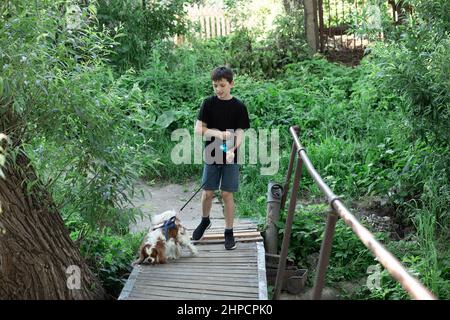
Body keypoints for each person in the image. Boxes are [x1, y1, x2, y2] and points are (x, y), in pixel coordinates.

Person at [192, 66, 250, 250]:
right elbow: (198, 130)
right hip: (212, 152)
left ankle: (229, 231)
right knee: (208, 192)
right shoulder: (208, 103)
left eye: (222, 85)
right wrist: (218, 134)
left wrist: (234, 148)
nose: (218, 89)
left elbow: (240, 132)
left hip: (231, 154)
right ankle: (205, 220)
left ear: (231, 84)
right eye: (215, 86)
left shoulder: (239, 106)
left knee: (227, 194)